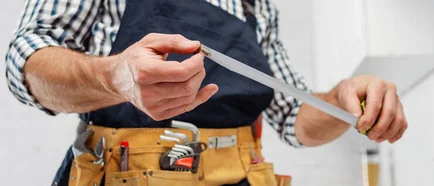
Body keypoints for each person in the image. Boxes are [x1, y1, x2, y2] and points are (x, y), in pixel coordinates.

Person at [5, 0, 408, 185]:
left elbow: (292, 118)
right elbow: (25, 63)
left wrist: (339, 101)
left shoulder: (256, 6)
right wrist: (114, 77)